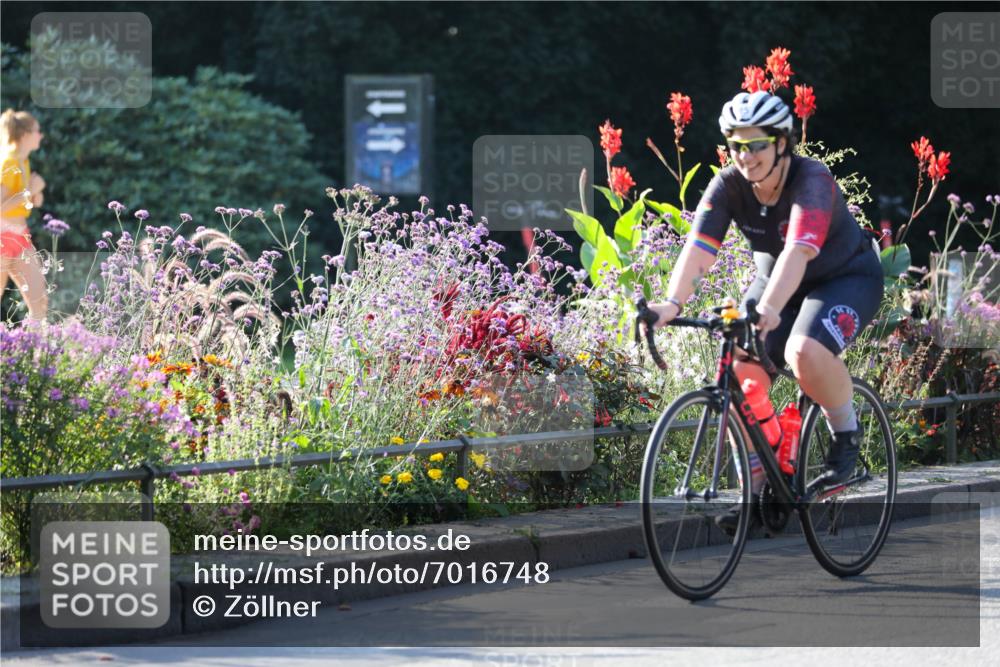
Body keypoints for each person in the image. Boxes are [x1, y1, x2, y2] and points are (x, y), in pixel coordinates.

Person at [643, 91, 883, 527]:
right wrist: (671, 304)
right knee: (738, 370)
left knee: (803, 351)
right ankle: (760, 484)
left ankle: (846, 435)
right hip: (775, 279)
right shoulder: (728, 185)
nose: (745, 155)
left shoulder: (811, 179)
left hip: (844, 277)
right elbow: (699, 250)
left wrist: (770, 307)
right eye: (737, 145)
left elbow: (797, 251)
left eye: (756, 144)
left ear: (781, 143)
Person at [1, 109, 48, 322]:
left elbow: (24, 201)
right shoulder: (8, 163)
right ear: (25, 134)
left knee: (40, 302)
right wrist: (29, 191)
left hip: (20, 237)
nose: (41, 136)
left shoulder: (24, 162)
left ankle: (35, 344)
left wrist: (35, 196)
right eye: (38, 131)